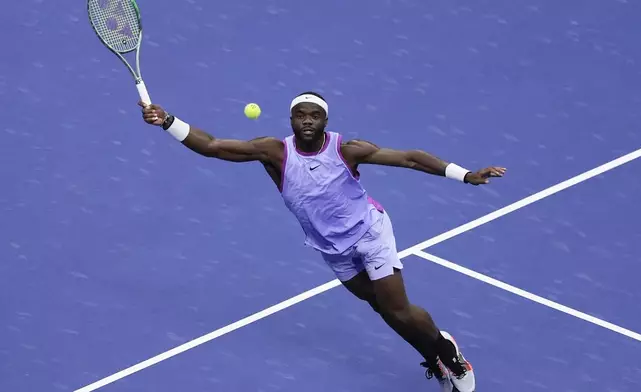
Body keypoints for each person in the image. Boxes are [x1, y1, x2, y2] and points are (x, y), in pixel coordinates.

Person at [138, 92, 505, 392]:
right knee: (381, 309)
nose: (308, 120)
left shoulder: (348, 150)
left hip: (370, 235)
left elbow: (410, 158)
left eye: (315, 115)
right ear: (292, 120)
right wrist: (168, 121)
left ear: (326, 121)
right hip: (331, 249)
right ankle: (433, 354)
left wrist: (465, 175)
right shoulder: (274, 152)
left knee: (397, 309)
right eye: (301, 115)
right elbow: (214, 146)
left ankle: (450, 355)